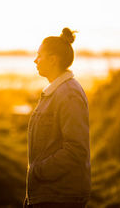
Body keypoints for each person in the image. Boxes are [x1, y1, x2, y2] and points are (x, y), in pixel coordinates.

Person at [24, 28, 91, 208]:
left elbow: (76, 149)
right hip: (50, 195)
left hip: (60, 198)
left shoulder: (69, 95)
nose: (35, 60)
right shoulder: (56, 92)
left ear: (53, 59)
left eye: (39, 55)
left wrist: (38, 171)